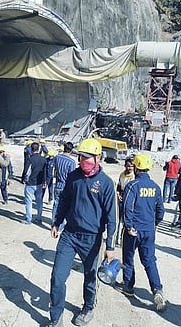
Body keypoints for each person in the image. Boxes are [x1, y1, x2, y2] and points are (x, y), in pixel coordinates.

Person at [48, 138, 117, 327]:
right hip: (69, 235)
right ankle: (55, 317)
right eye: (81, 157)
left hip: (92, 239)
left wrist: (110, 246)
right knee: (57, 277)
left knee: (90, 276)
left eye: (87, 157)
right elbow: (64, 201)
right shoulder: (74, 176)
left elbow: (112, 217)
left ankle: (88, 307)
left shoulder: (106, 183)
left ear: (98, 157)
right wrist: (57, 221)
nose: (83, 161)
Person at [113, 154, 167, 312]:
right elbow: (160, 210)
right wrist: (156, 224)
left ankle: (129, 287)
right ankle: (157, 290)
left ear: (136, 167)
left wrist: (129, 225)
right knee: (150, 261)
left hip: (133, 231)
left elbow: (126, 207)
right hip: (149, 231)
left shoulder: (132, 185)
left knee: (128, 259)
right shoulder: (156, 187)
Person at [51, 141, 76, 230]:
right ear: (71, 150)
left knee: (56, 204)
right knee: (64, 206)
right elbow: (72, 176)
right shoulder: (71, 162)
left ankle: (53, 223)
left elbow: (53, 167)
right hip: (66, 186)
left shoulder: (57, 157)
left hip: (57, 184)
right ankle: (60, 226)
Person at [21, 142, 48, 225]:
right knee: (39, 201)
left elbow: (26, 171)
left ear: (31, 149)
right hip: (39, 183)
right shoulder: (43, 159)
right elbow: (45, 172)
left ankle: (29, 218)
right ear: (39, 149)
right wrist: (44, 181)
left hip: (30, 183)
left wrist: (23, 179)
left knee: (28, 201)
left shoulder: (30, 159)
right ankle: (39, 218)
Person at [116, 158, 135, 246]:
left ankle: (124, 239)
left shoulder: (134, 176)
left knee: (126, 220)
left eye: (131, 166)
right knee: (118, 221)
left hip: (130, 199)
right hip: (121, 198)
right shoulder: (122, 175)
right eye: (128, 166)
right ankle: (117, 239)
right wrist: (118, 194)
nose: (130, 168)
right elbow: (119, 187)